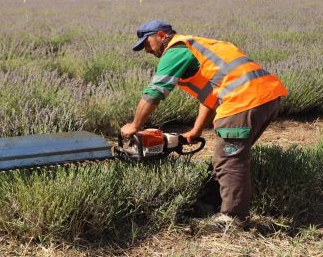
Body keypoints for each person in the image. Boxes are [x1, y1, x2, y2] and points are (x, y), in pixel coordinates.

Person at [120, 19, 288, 227]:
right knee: (227, 155)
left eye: (147, 43)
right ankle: (210, 203)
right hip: (266, 96)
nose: (147, 50)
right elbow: (209, 95)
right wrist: (196, 129)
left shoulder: (176, 50)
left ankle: (233, 219)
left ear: (162, 36)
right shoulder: (199, 44)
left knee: (229, 159)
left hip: (242, 100)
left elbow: (155, 92)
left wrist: (135, 125)